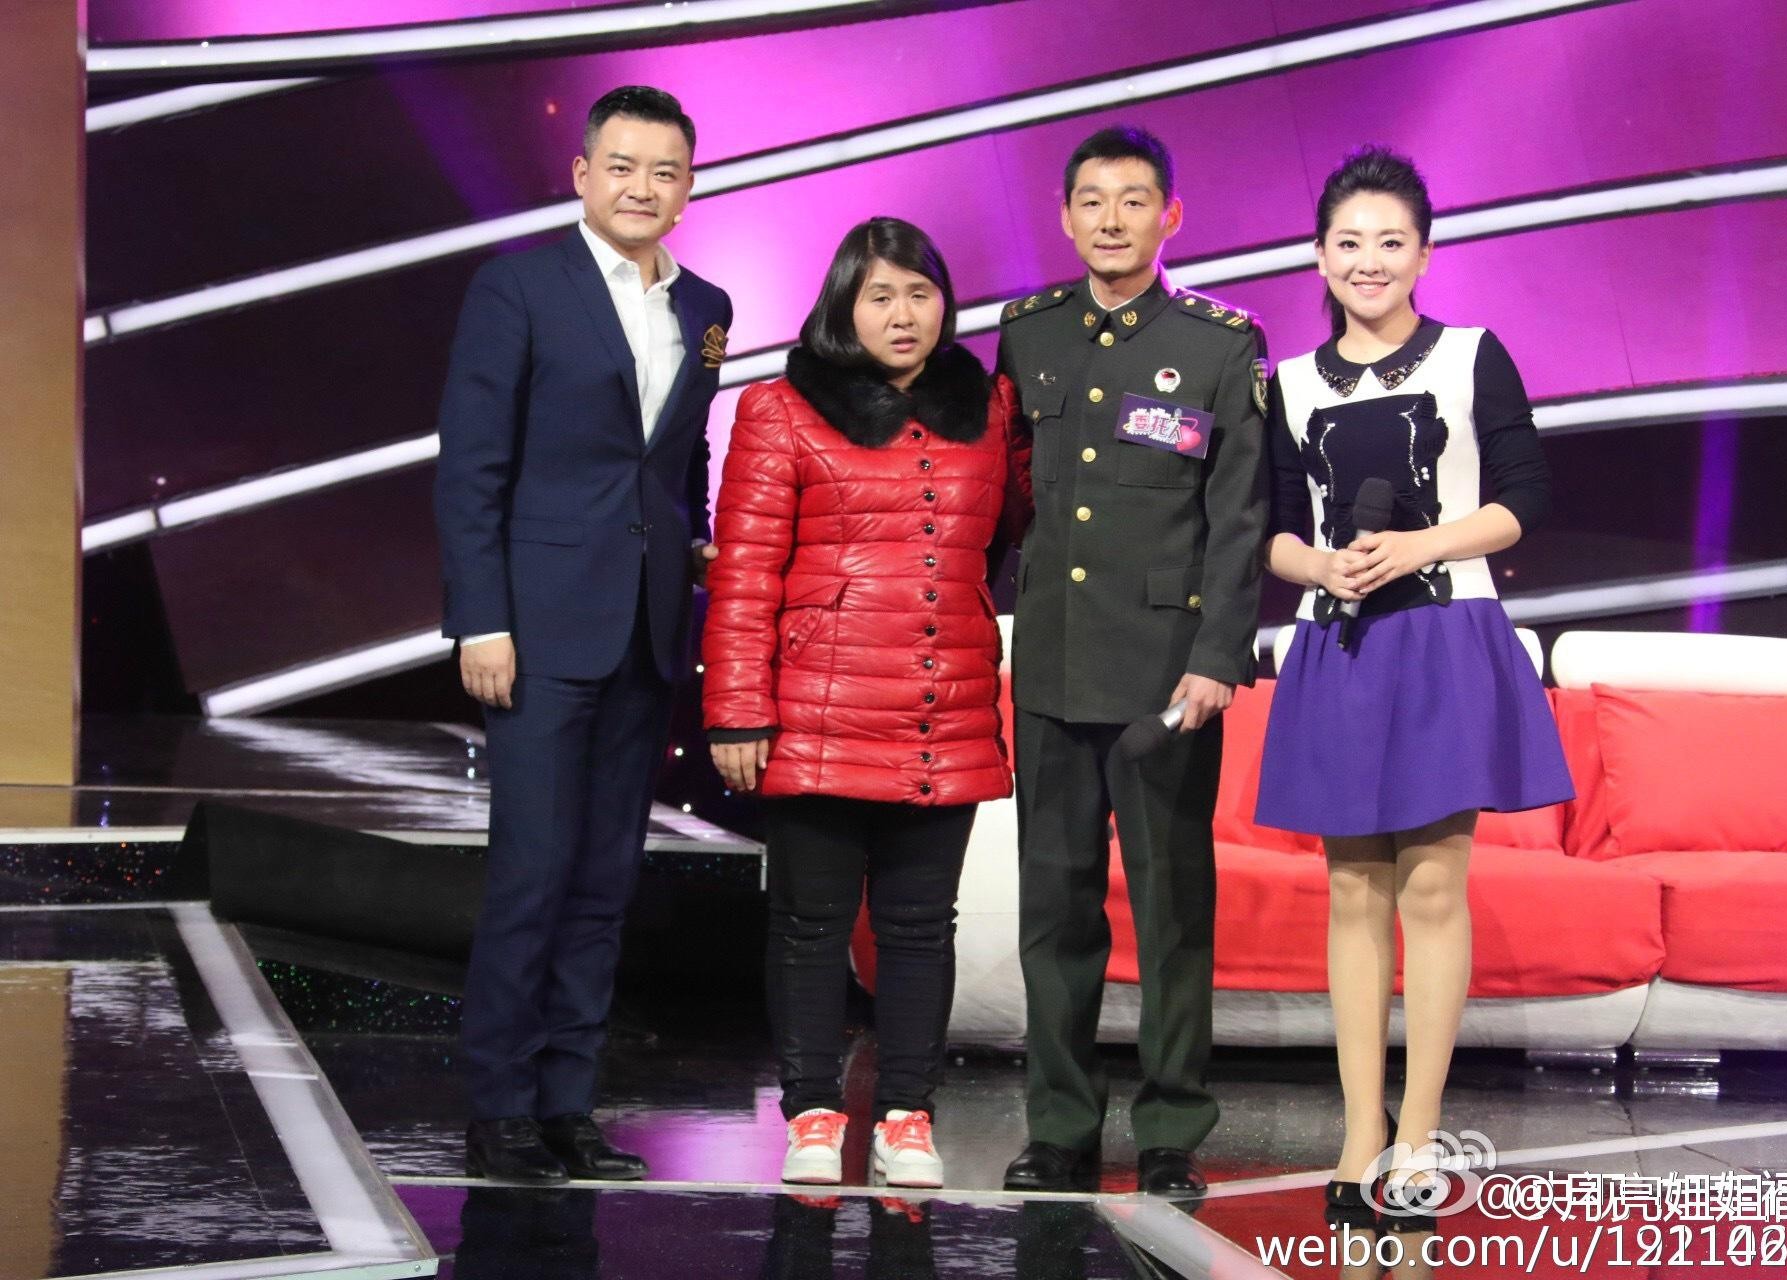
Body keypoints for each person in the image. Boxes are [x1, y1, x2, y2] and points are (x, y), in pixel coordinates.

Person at [1255, 145, 1573, 1243]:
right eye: (1349, 242)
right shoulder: (1290, 384)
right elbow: (1274, 530)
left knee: (1433, 887)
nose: (1370, 260)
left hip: (1445, 638)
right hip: (1340, 641)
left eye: (1391, 241)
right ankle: (1360, 1131)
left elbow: (1526, 497)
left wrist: (1418, 545)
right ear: (1319, 256)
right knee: (1354, 890)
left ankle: (1421, 1133)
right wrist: (1322, 565)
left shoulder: (1475, 355)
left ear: (1425, 254)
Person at [434, 85, 733, 1183]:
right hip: (539, 627)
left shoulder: (706, 303)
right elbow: (471, 466)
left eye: (665, 171)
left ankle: (568, 1105)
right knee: (534, 871)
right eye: (623, 166)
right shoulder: (518, 286)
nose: (642, 187)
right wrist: (481, 617)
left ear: (688, 187)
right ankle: (501, 1108)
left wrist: (696, 541)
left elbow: (682, 451)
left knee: (607, 878)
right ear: (582, 174)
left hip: (647, 627)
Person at [702, 217, 1026, 1189]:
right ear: (844, 304)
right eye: (880, 295)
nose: (902, 313)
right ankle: (812, 1109)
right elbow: (745, 573)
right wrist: (737, 710)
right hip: (816, 708)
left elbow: (1011, 530)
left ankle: (907, 1115)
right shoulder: (780, 408)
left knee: (921, 926)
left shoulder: (990, 409)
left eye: (920, 293)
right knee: (812, 921)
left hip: (942, 704)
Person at [995, 125, 1270, 1197]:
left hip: (1167, 674)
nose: (1112, 219)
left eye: (1134, 199)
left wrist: (1218, 657)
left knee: (1170, 909)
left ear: (1171, 216)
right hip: (1054, 664)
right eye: (1093, 201)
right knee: (1055, 907)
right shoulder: (1028, 333)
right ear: (1066, 217)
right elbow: (1007, 488)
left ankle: (1169, 1130)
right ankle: (1060, 1125)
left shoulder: (1220, 344)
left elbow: (1238, 517)